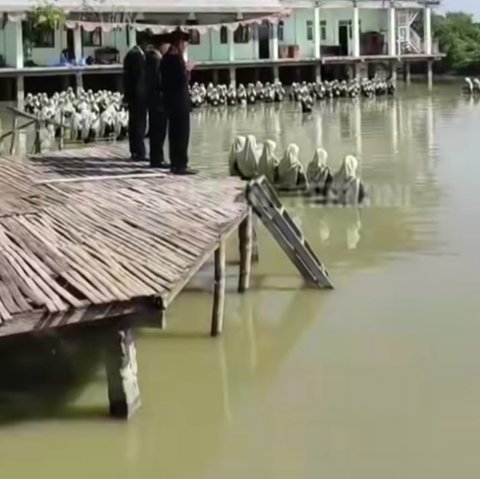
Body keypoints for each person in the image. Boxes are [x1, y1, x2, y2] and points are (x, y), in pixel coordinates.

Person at [160, 29, 197, 175]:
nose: (185, 47)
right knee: (182, 133)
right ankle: (181, 163)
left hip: (169, 100)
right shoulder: (176, 59)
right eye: (184, 44)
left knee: (173, 133)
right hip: (179, 101)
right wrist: (188, 70)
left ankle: (174, 162)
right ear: (180, 43)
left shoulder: (165, 58)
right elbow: (181, 80)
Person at [145, 34, 170, 168]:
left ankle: (156, 157)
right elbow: (158, 80)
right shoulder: (156, 59)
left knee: (157, 130)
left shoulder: (151, 57)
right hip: (158, 100)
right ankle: (157, 159)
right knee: (158, 131)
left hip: (154, 99)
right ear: (162, 45)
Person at [123, 38, 148, 161]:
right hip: (138, 96)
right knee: (139, 124)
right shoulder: (137, 56)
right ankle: (139, 151)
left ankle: (134, 151)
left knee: (133, 123)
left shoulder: (130, 54)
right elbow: (138, 78)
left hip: (132, 95)